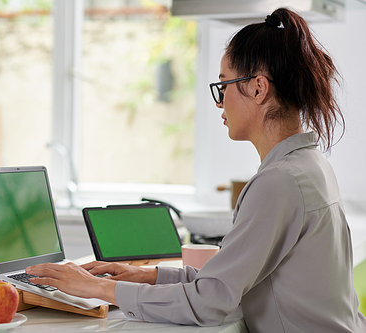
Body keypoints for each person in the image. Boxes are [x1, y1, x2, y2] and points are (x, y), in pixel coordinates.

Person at [26, 7, 366, 332]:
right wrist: (149, 275)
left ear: (258, 88)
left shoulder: (279, 182)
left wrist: (97, 289)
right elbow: (227, 279)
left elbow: (210, 301)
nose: (220, 102)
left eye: (224, 85)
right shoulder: (309, 166)